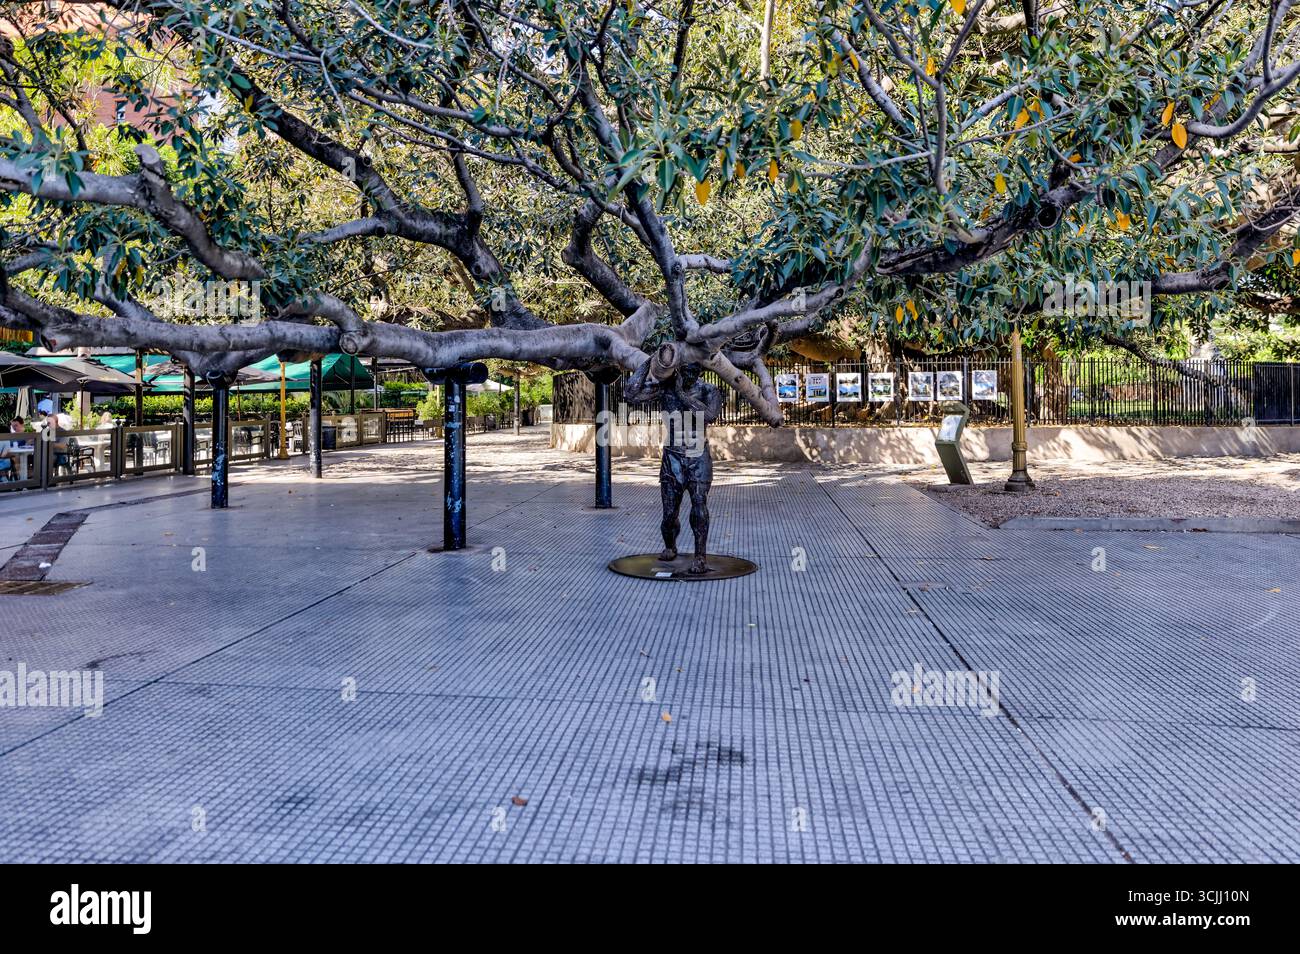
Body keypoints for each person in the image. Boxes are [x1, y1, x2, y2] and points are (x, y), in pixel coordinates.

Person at [623, 346, 723, 574]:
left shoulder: (709, 390)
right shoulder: (666, 389)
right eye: (685, 369)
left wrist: (682, 395)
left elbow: (708, 416)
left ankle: (700, 557)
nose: (690, 374)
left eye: (694, 370)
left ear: (701, 370)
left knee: (700, 507)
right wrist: (651, 360)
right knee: (669, 514)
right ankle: (670, 546)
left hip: (698, 457)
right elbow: (630, 394)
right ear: (678, 369)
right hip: (673, 457)